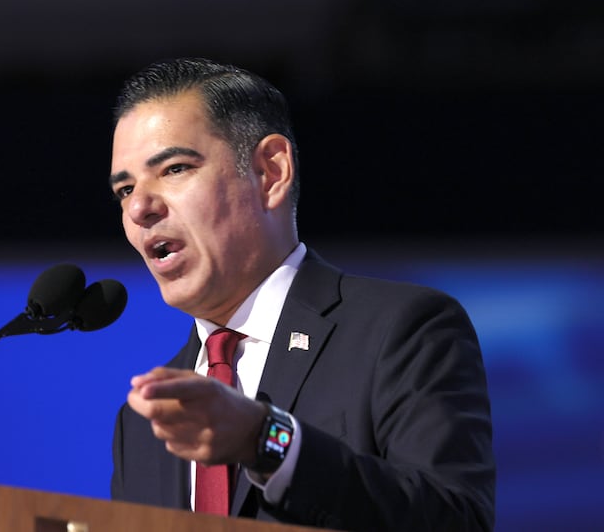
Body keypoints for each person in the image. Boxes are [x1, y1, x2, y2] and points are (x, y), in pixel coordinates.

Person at [108, 57, 495, 531]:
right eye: (124, 189)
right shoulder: (146, 420)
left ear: (271, 172)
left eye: (173, 168)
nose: (140, 207)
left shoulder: (400, 330)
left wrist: (265, 439)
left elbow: (454, 520)